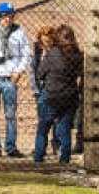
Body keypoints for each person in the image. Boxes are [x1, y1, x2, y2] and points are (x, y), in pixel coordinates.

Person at [0, 2, 31, 158]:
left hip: (10, 79)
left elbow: (26, 54)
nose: (8, 18)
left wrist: (19, 71)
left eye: (10, 15)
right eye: (4, 15)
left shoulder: (19, 32)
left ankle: (11, 146)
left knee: (10, 115)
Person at [34, 25, 83, 163]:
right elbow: (80, 73)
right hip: (70, 97)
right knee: (65, 129)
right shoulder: (77, 55)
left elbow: (40, 74)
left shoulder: (53, 53)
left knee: (43, 128)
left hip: (52, 96)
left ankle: (38, 158)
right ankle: (64, 159)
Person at [31, 25, 60, 158]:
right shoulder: (38, 50)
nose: (46, 38)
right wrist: (35, 88)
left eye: (49, 36)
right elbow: (34, 70)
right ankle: (41, 148)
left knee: (56, 119)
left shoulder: (58, 51)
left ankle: (56, 145)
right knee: (43, 119)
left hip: (54, 89)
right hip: (41, 88)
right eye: (44, 36)